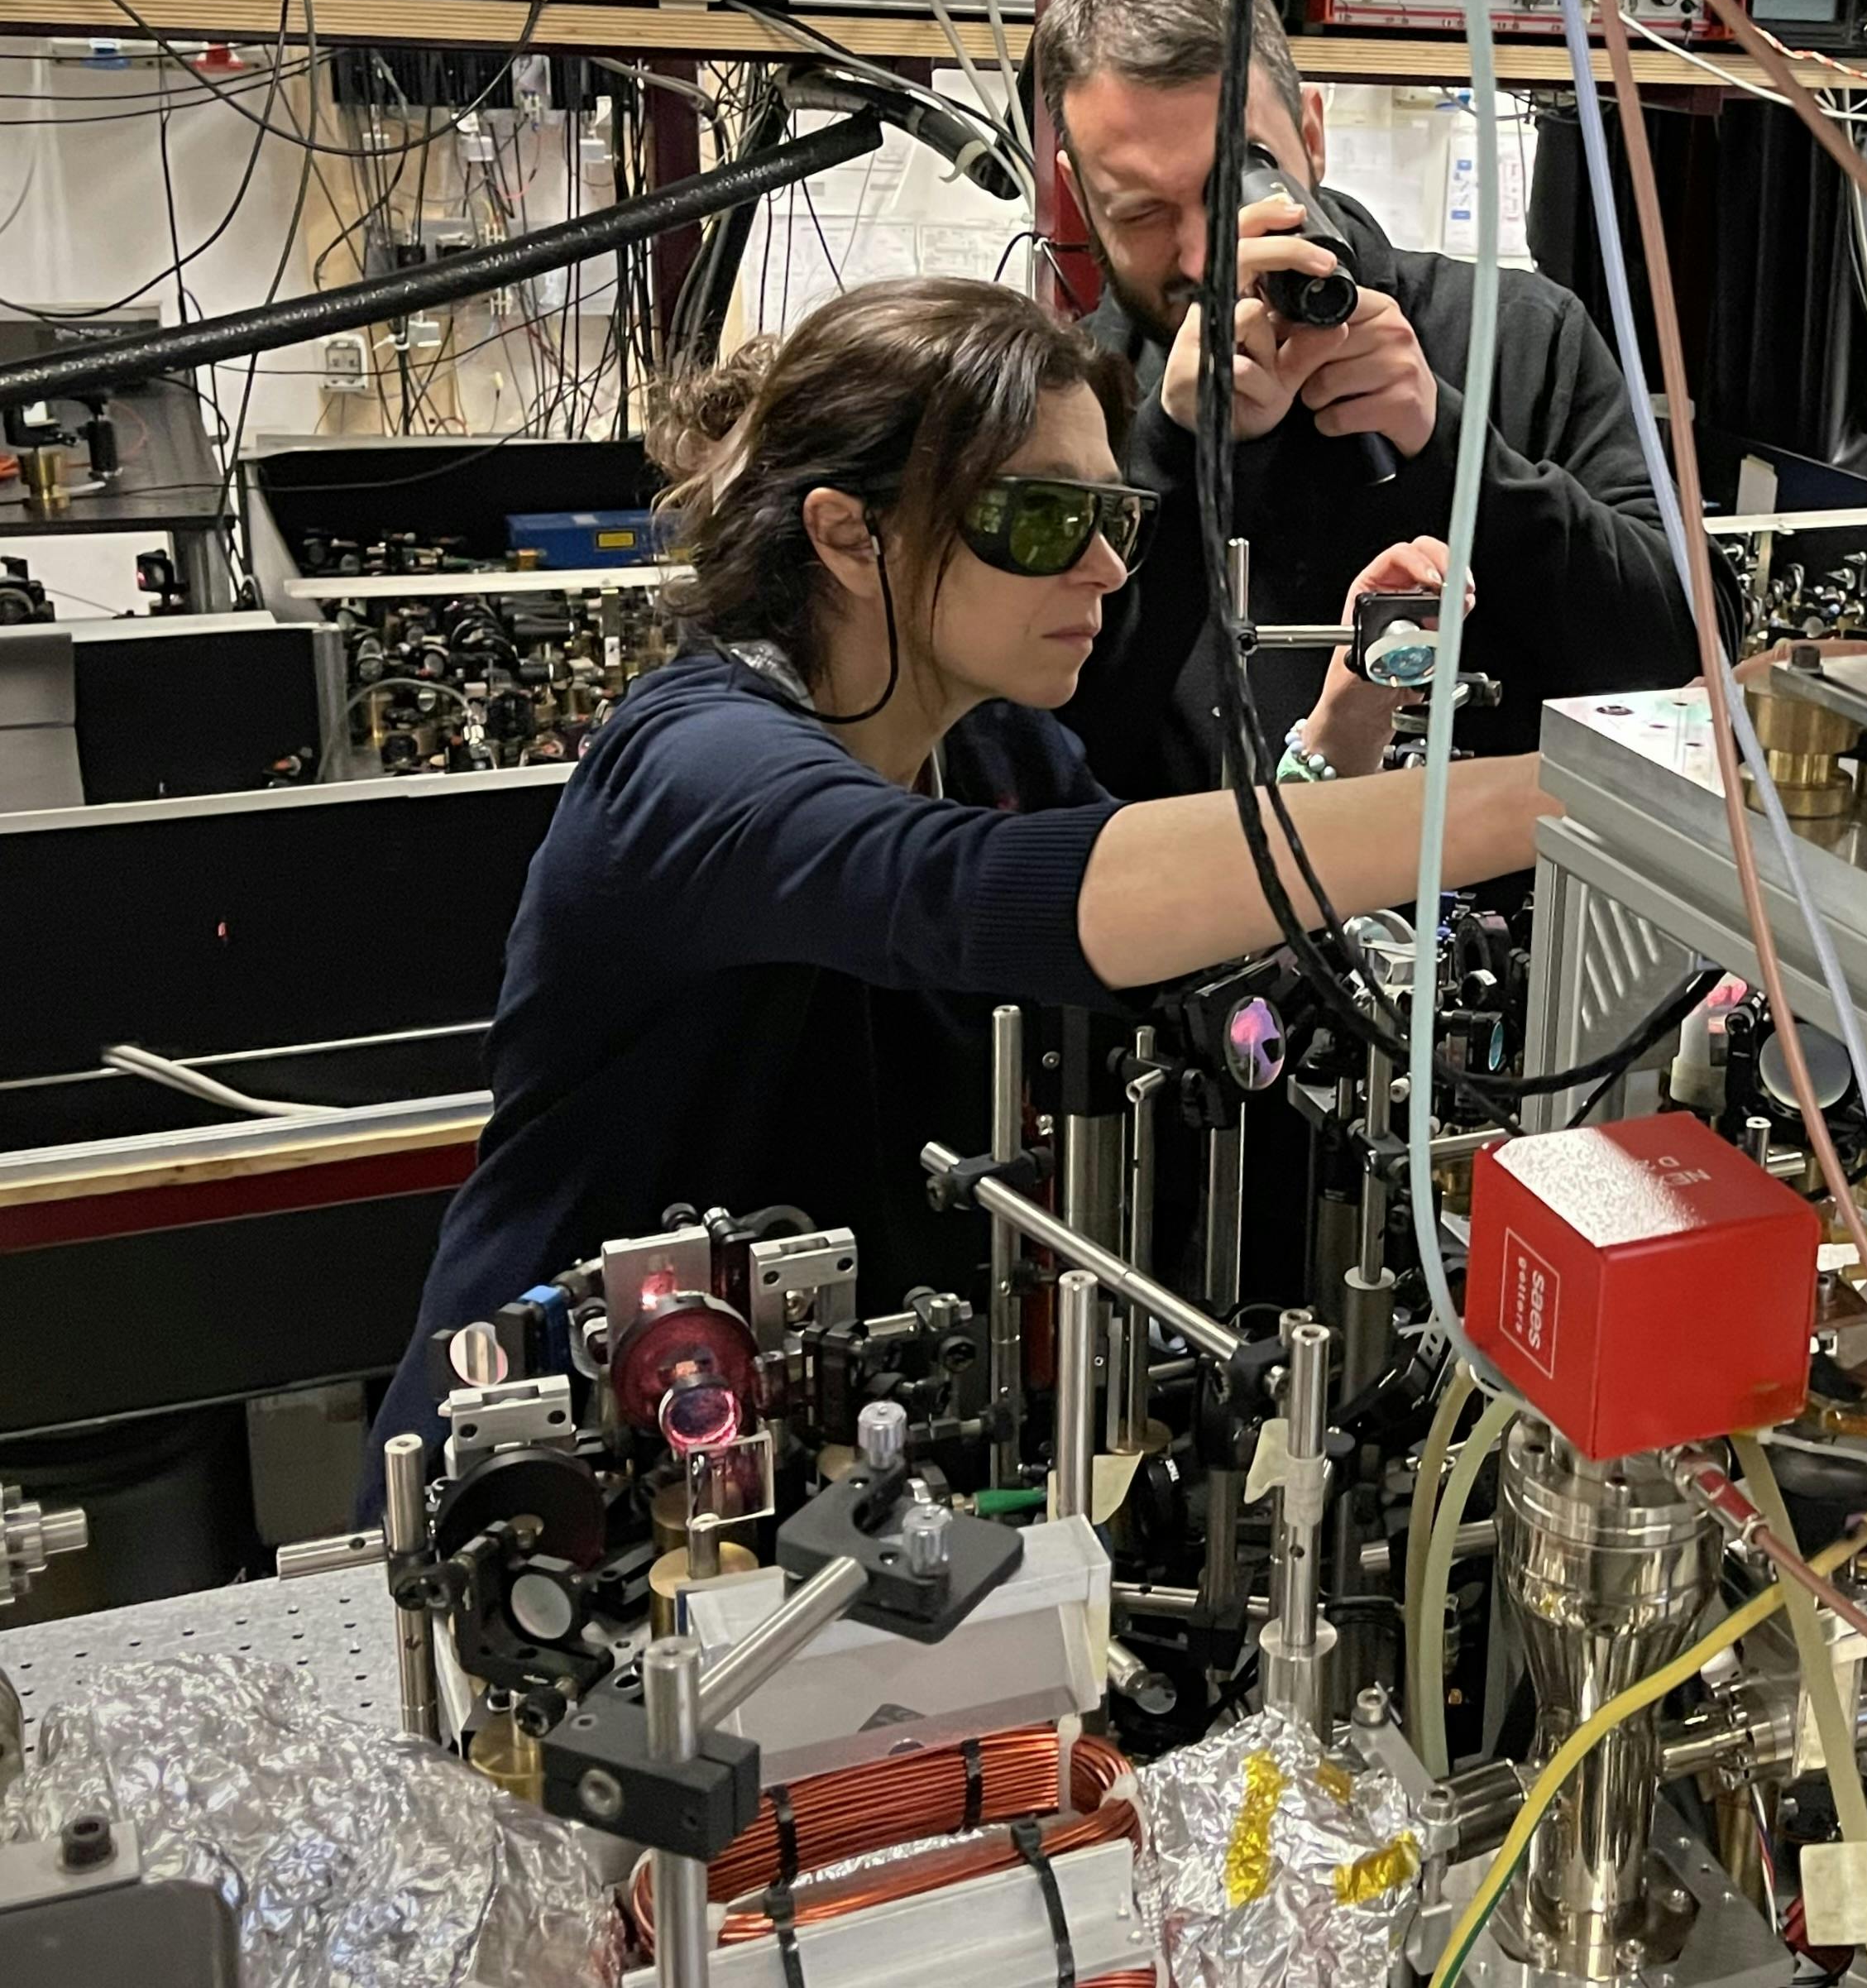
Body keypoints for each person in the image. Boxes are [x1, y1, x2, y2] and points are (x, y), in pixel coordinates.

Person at [366, 278, 1548, 1467]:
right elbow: (985, 893)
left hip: (804, 1455)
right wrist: (1548, 799)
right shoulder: (693, 768)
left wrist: (1344, 727)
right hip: (548, 1470)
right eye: (1039, 519)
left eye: (1114, 519)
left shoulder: (985, 741)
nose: (1103, 568)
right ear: (845, 533)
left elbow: (1171, 938)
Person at [1032, 0, 1721, 800]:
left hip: (1487, 909)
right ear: (1074, 193)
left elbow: (1676, 651)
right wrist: (1171, 461)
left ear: (1311, 137)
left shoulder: (1517, 337)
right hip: (1184, 912)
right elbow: (1039, 753)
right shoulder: (1069, 399)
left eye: (1235, 182)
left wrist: (1455, 450)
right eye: (1138, 211)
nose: (1208, 255)